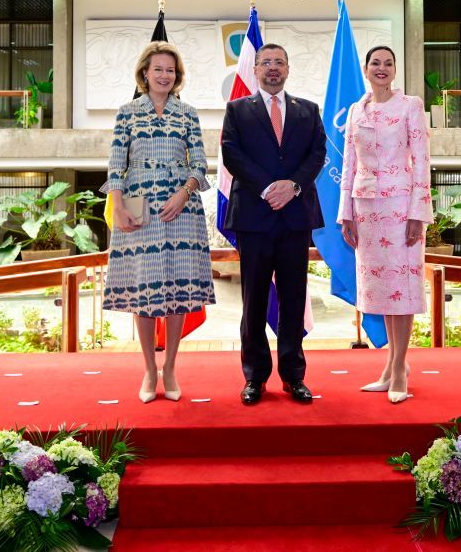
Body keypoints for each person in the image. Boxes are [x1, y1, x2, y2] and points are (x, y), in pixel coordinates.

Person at [102, 41, 215, 403]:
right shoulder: (126, 113)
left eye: (171, 70)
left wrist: (184, 194)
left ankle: (171, 368)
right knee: (144, 290)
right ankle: (150, 369)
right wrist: (118, 207)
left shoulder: (188, 114)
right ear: (145, 74)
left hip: (181, 209)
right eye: (158, 69)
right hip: (139, 206)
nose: (164, 75)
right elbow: (115, 165)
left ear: (177, 76)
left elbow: (200, 163)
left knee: (179, 291)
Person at [221, 43, 326, 405]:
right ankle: (255, 377)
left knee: (294, 301)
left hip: (295, 218)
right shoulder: (237, 110)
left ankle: (294, 376)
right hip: (254, 216)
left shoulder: (308, 111)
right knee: (253, 301)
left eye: (279, 62)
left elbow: (318, 153)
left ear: (288, 68)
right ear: (256, 69)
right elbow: (231, 153)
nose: (272, 68)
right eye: (265, 62)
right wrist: (268, 188)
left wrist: (292, 186)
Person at [338, 46, 431, 404]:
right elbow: (348, 164)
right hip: (365, 210)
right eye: (375, 63)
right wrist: (345, 212)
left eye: (388, 63)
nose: (382, 68)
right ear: (365, 69)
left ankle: (399, 368)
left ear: (395, 70)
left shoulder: (410, 105)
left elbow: (421, 160)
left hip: (400, 207)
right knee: (382, 292)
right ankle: (393, 364)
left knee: (402, 290)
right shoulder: (356, 110)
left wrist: (417, 213)